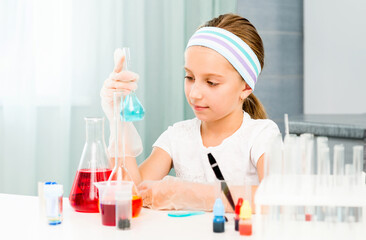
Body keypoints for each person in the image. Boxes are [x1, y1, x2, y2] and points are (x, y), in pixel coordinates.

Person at [100, 13, 280, 212]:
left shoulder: (261, 136)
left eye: (211, 82)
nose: (194, 94)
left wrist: (187, 193)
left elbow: (275, 198)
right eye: (190, 77)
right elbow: (133, 193)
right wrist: (119, 121)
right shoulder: (177, 137)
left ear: (245, 87)